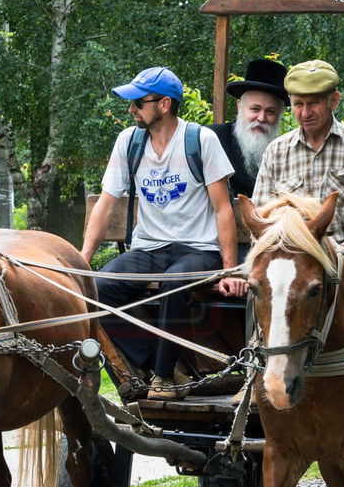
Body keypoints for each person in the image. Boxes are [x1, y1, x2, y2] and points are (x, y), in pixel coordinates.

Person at [81, 66, 241, 401]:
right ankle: (160, 365)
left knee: (174, 281)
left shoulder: (200, 140)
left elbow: (223, 209)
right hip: (150, 248)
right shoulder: (129, 142)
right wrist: (83, 259)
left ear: (165, 104)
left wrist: (228, 269)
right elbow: (107, 203)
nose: (131, 109)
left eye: (139, 102)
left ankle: (165, 379)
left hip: (198, 249)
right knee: (99, 288)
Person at [223, 59, 344, 294]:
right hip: (287, 267)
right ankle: (256, 333)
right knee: (260, 294)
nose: (305, 112)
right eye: (298, 104)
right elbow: (261, 214)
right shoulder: (277, 151)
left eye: (313, 103)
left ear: (333, 101)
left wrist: (343, 253)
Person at [209, 58, 288, 199]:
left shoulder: (286, 151)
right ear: (239, 106)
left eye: (270, 112)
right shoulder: (212, 138)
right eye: (255, 109)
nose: (261, 118)